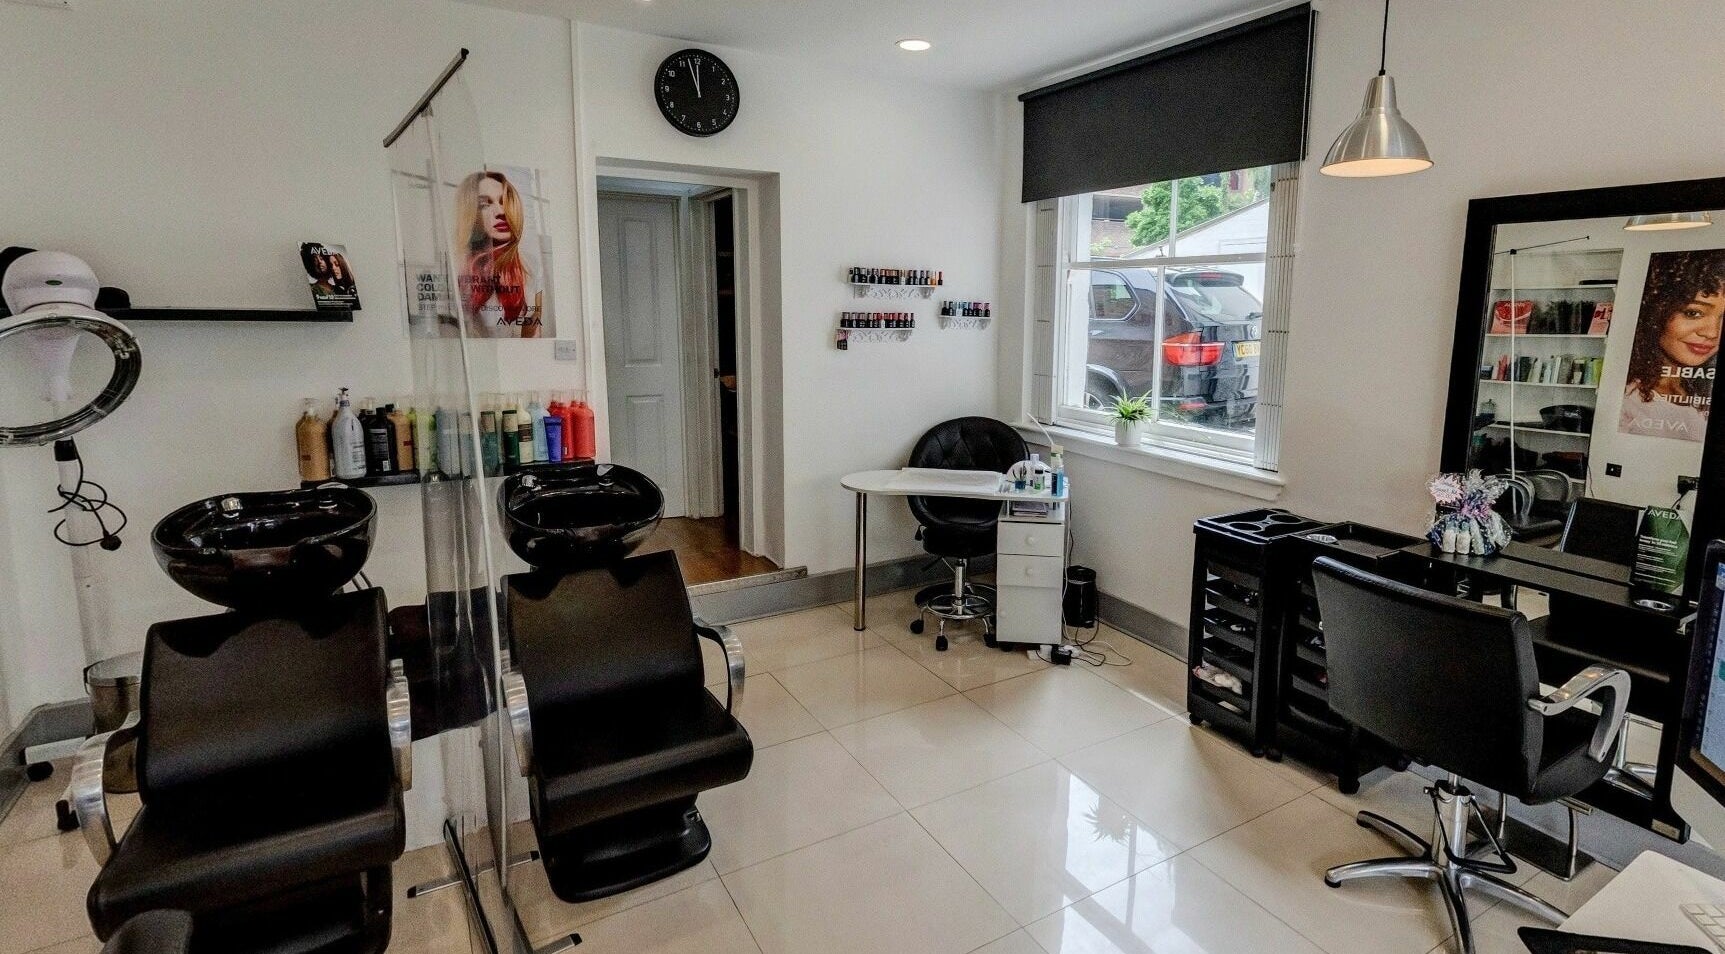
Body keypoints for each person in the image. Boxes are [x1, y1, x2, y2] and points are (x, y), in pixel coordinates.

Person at [1620, 249, 1725, 442]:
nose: (1712, 333)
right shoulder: (1625, 399)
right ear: (1656, 311)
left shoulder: (1700, 390)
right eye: (1693, 313)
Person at [455, 170, 542, 338]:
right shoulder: (458, 267)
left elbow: (533, 329)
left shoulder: (529, 266)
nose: (500, 211)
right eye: (485, 204)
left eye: (504, 202)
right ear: (471, 213)